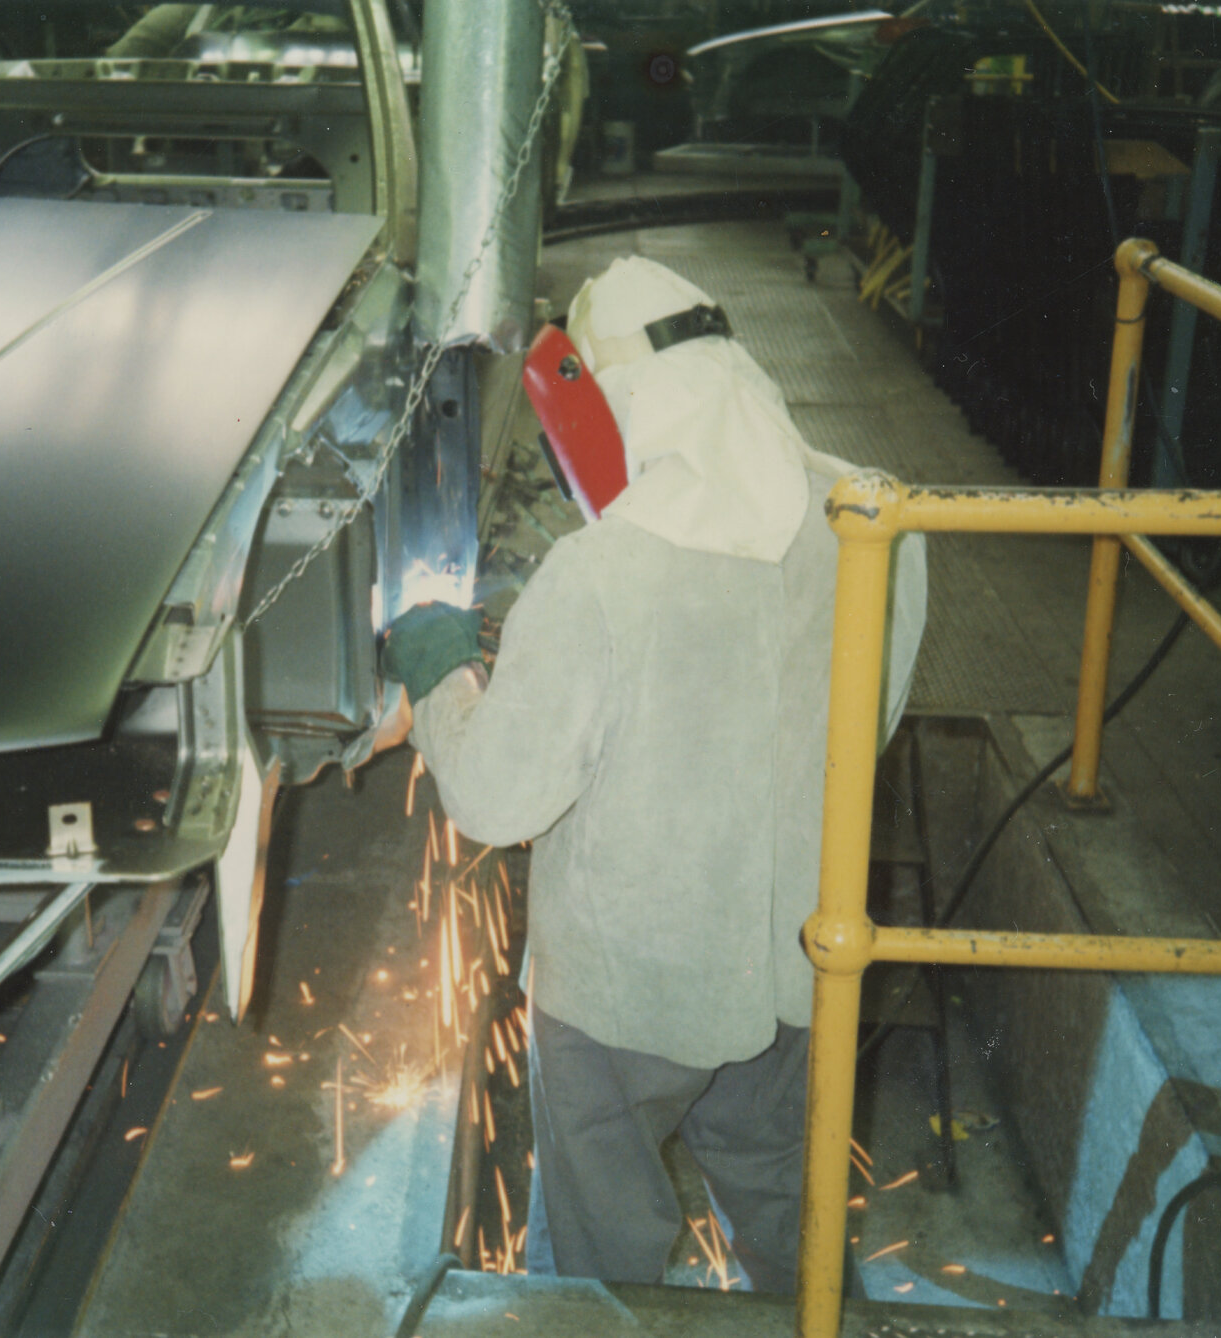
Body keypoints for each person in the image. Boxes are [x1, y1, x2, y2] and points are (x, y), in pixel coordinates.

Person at [381, 257, 926, 1292]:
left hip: (622, 999)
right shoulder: (868, 521)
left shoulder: (600, 575)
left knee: (599, 1259)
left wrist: (444, 680)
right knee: (788, 1223)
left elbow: (498, 799)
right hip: (797, 966)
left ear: (618, 401)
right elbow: (870, 720)